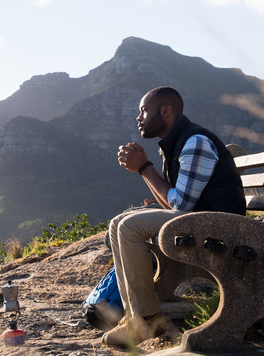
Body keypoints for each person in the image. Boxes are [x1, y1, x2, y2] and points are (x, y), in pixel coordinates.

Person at [102, 86, 246, 347]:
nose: (139, 117)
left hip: (221, 225)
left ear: (166, 111)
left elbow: (181, 206)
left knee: (129, 227)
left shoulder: (195, 141)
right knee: (117, 223)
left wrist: (144, 168)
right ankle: (135, 316)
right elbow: (174, 204)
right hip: (201, 218)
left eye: (144, 110)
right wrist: (146, 174)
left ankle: (147, 320)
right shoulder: (175, 144)